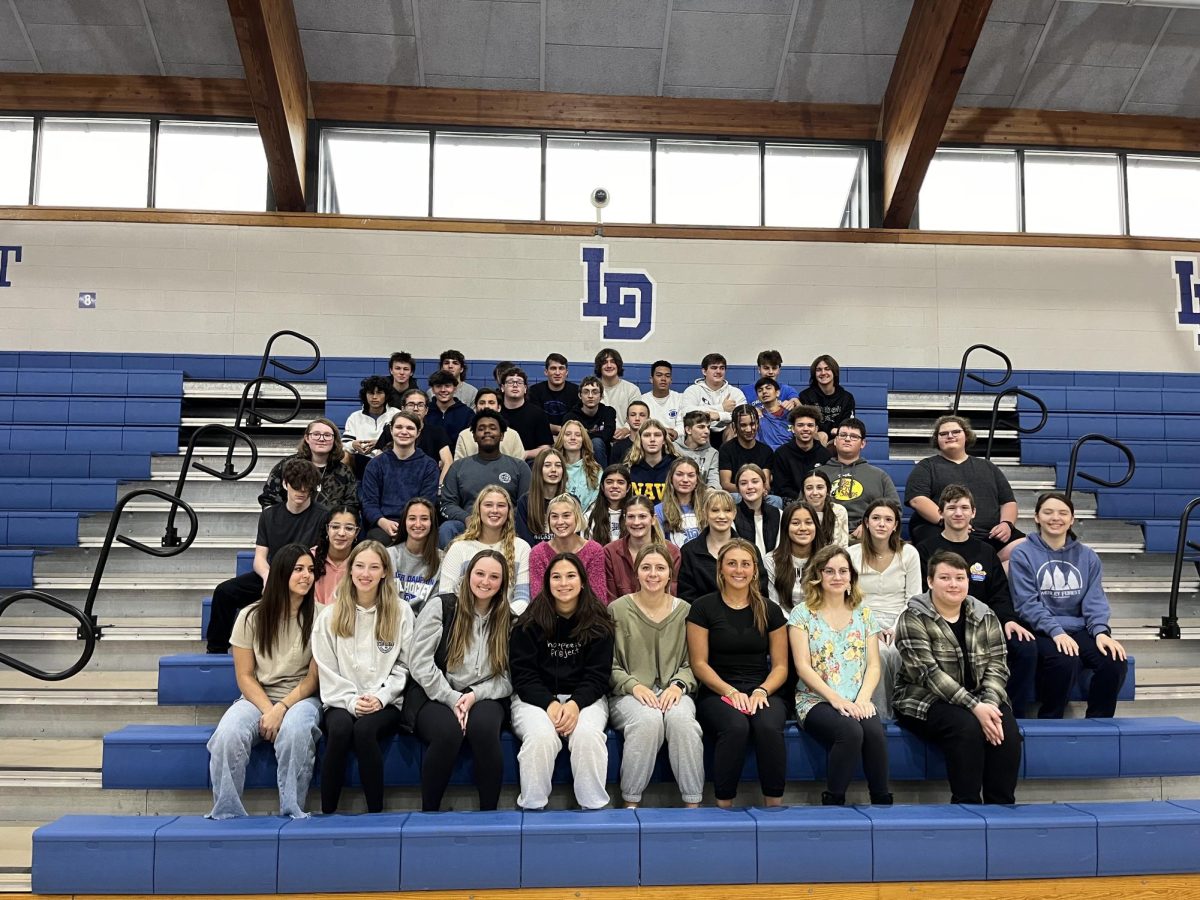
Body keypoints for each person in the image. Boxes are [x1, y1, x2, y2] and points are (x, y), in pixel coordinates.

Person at [894, 550, 1022, 805]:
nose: (953, 584)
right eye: (945, 577)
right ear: (930, 581)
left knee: (1006, 729)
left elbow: (998, 665)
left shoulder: (985, 614)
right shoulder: (913, 616)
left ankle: (1002, 808)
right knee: (966, 727)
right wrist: (976, 708)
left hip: (981, 698)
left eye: (960, 578)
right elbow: (928, 674)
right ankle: (967, 805)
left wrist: (990, 704)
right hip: (923, 698)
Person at [207, 544, 321, 819]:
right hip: (257, 695)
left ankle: (293, 811)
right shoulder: (250, 616)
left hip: (301, 697)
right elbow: (244, 676)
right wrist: (269, 710)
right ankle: (227, 813)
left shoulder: (322, 615)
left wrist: (281, 708)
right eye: (298, 569)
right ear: (281, 573)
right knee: (227, 735)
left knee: (295, 733)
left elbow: (313, 678)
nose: (306, 576)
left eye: (310, 570)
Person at [916, 485, 1037, 715]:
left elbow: (999, 594)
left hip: (985, 624)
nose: (958, 513)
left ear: (973, 512)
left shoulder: (986, 551)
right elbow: (924, 592)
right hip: (945, 622)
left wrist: (1009, 620)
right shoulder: (926, 550)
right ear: (941, 513)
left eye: (964, 507)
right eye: (951, 508)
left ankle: (1011, 712)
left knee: (1026, 648)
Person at [408, 548, 513, 812]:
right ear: (467, 576)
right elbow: (419, 663)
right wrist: (452, 698)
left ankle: (490, 814)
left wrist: (475, 695)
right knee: (447, 732)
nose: (485, 582)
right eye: (479, 574)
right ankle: (429, 813)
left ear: (502, 583)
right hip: (434, 691)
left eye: (494, 577)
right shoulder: (441, 606)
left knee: (484, 729)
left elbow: (510, 677)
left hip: (484, 694)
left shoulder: (508, 619)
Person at [312, 541, 413, 814]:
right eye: (359, 566)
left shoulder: (401, 612)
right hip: (341, 699)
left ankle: (375, 814)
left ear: (384, 572)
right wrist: (351, 701)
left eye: (374, 567)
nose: (365, 573)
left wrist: (381, 697)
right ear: (350, 570)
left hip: (386, 702)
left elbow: (404, 665)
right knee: (342, 729)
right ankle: (328, 812)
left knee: (365, 731)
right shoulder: (330, 615)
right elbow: (327, 667)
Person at [509, 552, 616, 811]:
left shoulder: (599, 622)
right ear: (546, 583)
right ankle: (532, 809)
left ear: (582, 582)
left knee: (588, 736)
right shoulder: (528, 623)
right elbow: (523, 676)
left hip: (585, 699)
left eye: (570, 576)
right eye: (556, 577)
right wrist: (550, 704)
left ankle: (592, 809)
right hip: (534, 700)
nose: (563, 583)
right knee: (540, 737)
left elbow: (597, 676)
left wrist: (575, 705)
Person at [687, 539, 789, 808]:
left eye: (745, 564)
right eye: (732, 563)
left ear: (755, 570)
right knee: (735, 727)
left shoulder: (770, 609)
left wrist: (762, 690)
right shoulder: (702, 607)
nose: (739, 570)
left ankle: (774, 806)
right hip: (717, 690)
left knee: (768, 726)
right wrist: (730, 691)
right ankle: (724, 805)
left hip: (762, 688)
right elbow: (699, 664)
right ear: (720, 568)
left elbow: (780, 666)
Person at [1008, 491, 1128, 719]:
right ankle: (1050, 720)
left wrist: (1101, 632)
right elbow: (1026, 603)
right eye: (1048, 512)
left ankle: (1098, 722)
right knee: (1065, 660)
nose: (1056, 518)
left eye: (1063, 513)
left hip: (1078, 628)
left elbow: (1095, 600)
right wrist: (1056, 632)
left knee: (1114, 660)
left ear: (1072, 519)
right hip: (1040, 628)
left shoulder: (1088, 556)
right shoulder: (1023, 553)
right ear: (1036, 517)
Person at [789, 544, 891, 806]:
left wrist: (864, 698)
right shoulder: (802, 614)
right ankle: (834, 801)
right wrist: (835, 699)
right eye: (829, 571)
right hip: (816, 700)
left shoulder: (864, 614)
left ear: (851, 577)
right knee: (850, 732)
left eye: (843, 571)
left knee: (874, 731)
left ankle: (881, 801)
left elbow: (874, 665)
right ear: (818, 575)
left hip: (857, 699)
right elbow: (802, 667)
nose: (837, 576)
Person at [609, 544, 703, 808]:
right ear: (636, 573)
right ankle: (631, 802)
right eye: (646, 568)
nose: (653, 574)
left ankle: (693, 804)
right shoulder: (616, 610)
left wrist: (679, 685)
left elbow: (692, 661)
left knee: (683, 721)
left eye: (660, 568)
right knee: (648, 720)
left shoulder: (685, 610)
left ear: (670, 574)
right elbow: (608, 664)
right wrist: (633, 686)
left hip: (674, 691)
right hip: (628, 694)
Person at [208, 459, 328, 654]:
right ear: (285, 484)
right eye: (296, 486)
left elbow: (319, 556)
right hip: (273, 574)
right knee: (224, 592)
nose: (301, 491)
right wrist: (268, 578)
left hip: (304, 577)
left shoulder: (323, 516)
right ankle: (216, 651)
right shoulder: (269, 515)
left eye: (307, 488)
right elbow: (260, 558)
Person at [905, 415, 1024, 562]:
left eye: (956, 432)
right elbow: (917, 499)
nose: (950, 436)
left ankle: (989, 564)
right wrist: (947, 522)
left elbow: (1008, 502)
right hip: (943, 530)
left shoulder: (988, 467)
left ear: (966, 436)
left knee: (1026, 549)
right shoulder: (927, 466)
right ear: (937, 440)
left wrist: (1007, 524)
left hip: (991, 534)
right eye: (943, 434)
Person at [846, 499, 920, 717]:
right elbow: (849, 599)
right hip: (862, 619)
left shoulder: (909, 553)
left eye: (888, 519)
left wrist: (897, 627)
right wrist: (872, 627)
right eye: (876, 518)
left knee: (899, 652)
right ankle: (880, 715)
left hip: (902, 618)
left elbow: (913, 597)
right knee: (877, 653)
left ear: (896, 525)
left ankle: (904, 711)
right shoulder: (851, 554)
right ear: (866, 523)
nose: (881, 524)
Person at [440, 410, 532, 546]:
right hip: (468, 525)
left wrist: (502, 518)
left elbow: (526, 503)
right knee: (447, 529)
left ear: (501, 435)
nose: (487, 431)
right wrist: (466, 518)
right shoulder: (458, 467)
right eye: (481, 429)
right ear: (474, 436)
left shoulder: (519, 467)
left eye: (492, 428)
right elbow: (447, 504)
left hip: (508, 524)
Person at [438, 486, 532, 613]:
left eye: (501, 505)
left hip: (506, 624)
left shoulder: (522, 548)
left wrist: (498, 620)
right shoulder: (459, 548)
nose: (494, 510)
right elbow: (446, 596)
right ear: (478, 510)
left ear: (509, 511)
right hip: (464, 622)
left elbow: (523, 598)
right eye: (488, 505)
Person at [359, 411, 440, 544]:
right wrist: (383, 522)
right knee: (376, 541)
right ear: (391, 430)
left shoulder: (429, 465)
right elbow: (369, 503)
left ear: (418, 432)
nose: (404, 432)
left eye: (410, 428)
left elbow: (426, 503)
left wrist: (407, 526)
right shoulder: (375, 464)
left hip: (416, 524)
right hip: (383, 525)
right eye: (399, 427)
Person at [815, 417, 898, 539]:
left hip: (866, 537)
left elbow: (895, 510)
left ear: (863, 443)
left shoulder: (879, 476)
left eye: (854, 436)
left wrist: (869, 526)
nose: (847, 439)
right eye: (843, 435)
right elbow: (802, 508)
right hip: (823, 536)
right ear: (835, 440)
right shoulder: (817, 474)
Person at [678, 490, 768, 602]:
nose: (721, 516)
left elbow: (760, 589)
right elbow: (686, 595)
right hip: (703, 617)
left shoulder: (750, 549)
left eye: (727, 510)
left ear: (734, 513)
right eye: (715, 510)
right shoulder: (689, 551)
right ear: (704, 513)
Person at [258, 417, 359, 513]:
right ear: (307, 438)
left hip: (329, 528)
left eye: (327, 435)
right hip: (292, 526)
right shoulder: (288, 465)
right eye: (316, 434)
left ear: (334, 440)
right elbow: (268, 499)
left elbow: (351, 506)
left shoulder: (344, 471)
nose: (321, 439)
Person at [529, 493, 610, 604]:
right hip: (548, 616)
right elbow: (538, 599)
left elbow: (598, 597)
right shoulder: (538, 552)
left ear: (577, 517)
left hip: (586, 615)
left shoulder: (594, 550)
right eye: (554, 516)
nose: (560, 522)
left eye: (566, 516)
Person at [605, 494, 680, 599]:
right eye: (631, 517)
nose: (636, 522)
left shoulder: (672, 552)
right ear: (624, 519)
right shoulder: (610, 552)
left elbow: (671, 595)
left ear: (653, 519)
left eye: (642, 516)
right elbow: (609, 598)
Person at [765, 501, 827, 610]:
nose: (803, 528)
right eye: (795, 523)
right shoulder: (771, 560)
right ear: (786, 527)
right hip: (784, 624)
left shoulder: (828, 559)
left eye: (808, 522)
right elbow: (775, 606)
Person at [387, 497, 444, 614]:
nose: (418, 524)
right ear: (404, 522)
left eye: (424, 519)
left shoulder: (442, 559)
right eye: (412, 518)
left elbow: (435, 609)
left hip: (424, 626)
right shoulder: (389, 555)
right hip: (392, 622)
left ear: (431, 523)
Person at [682, 352, 746, 448]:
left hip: (726, 433)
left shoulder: (735, 392)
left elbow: (743, 416)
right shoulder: (693, 390)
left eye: (722, 368)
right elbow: (686, 413)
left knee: (734, 427)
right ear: (704, 371)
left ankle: (727, 458)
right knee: (702, 427)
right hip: (702, 432)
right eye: (714, 368)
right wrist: (721, 408)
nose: (718, 371)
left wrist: (719, 416)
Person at [770, 405, 831, 502]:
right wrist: (803, 499)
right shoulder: (781, 453)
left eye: (810, 425)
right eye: (800, 425)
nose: (805, 429)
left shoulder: (825, 454)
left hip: (818, 501)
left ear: (816, 429)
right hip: (791, 502)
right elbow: (781, 488)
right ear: (793, 429)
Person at [342, 375, 400, 476]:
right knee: (344, 455)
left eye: (379, 393)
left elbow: (403, 441)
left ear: (386, 395)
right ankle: (348, 488)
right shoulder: (355, 417)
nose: (374, 397)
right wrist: (353, 445)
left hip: (388, 459)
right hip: (360, 460)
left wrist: (380, 444)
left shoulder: (396, 414)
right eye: (371, 393)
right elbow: (344, 444)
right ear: (365, 395)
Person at [798, 355, 855, 446]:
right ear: (814, 374)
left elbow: (848, 424)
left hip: (838, 440)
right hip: (814, 440)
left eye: (827, 369)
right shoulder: (806, 396)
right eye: (819, 370)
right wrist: (827, 432)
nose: (823, 373)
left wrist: (836, 434)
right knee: (821, 435)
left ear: (834, 372)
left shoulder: (847, 398)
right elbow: (807, 424)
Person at [454, 389, 526, 461]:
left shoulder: (513, 435)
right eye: (482, 403)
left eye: (491, 403)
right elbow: (459, 467)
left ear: (499, 407)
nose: (486, 406)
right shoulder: (464, 436)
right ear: (476, 408)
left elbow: (519, 466)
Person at [718, 405, 774, 497]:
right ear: (734, 426)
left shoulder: (766, 451)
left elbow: (766, 485)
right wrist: (748, 490)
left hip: (759, 495)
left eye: (752, 424)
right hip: (737, 495)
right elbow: (725, 484)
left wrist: (755, 492)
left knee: (774, 500)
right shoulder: (726, 449)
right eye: (743, 425)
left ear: (757, 423)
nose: (749, 429)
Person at [515, 448, 566, 546]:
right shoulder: (525, 501)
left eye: (558, 466)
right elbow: (525, 542)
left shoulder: (572, 501)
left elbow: (573, 540)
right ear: (538, 469)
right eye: (547, 465)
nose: (553, 470)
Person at [500, 367, 553, 462]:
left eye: (519, 382)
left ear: (525, 388)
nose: (515, 385)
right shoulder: (496, 413)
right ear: (502, 388)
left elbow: (546, 448)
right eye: (510, 382)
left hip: (528, 463)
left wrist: (525, 454)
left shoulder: (538, 414)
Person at [655, 457, 707, 547]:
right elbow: (658, 546)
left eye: (691, 475)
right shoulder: (658, 510)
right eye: (679, 474)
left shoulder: (707, 507)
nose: (685, 480)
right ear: (671, 478)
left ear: (697, 480)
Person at [312, 505, 358, 606]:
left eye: (349, 528)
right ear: (327, 529)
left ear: (357, 533)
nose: (341, 533)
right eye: (335, 527)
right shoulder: (310, 557)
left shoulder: (361, 562)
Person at [568, 375, 617, 465]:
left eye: (595, 392)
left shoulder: (608, 412)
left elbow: (607, 436)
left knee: (597, 442)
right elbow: (569, 439)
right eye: (586, 392)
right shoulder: (571, 416)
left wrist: (583, 434)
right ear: (580, 395)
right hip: (578, 455)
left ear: (601, 396)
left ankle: (602, 477)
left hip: (602, 455)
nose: (590, 396)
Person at [734, 463, 781, 556]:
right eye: (743, 483)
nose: (750, 487)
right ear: (738, 489)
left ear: (764, 486)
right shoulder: (731, 515)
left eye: (755, 482)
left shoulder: (778, 514)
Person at [555, 418, 601, 512]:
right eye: (568, 434)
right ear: (561, 438)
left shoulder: (596, 470)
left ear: (583, 440)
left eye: (578, 435)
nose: (573, 438)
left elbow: (597, 503)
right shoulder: (553, 468)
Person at [528, 353, 579, 435]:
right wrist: (559, 429)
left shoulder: (576, 391)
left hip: (568, 435)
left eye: (561, 368)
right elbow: (535, 421)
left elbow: (576, 422)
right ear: (546, 372)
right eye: (553, 368)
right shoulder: (534, 391)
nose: (557, 373)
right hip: (542, 435)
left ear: (566, 372)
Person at [595, 348, 642, 437]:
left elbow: (638, 416)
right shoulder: (592, 390)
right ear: (599, 367)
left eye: (612, 362)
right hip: (599, 438)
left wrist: (626, 429)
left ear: (618, 365)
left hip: (626, 437)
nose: (609, 365)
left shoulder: (632, 390)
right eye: (604, 362)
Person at [627, 419, 677, 501]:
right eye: (647, 435)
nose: (652, 439)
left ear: (664, 440)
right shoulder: (629, 466)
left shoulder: (675, 465)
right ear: (640, 440)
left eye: (657, 435)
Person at [585, 463, 631, 546]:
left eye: (620, 482)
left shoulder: (635, 517)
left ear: (628, 488)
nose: (615, 486)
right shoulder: (589, 517)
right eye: (609, 482)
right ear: (602, 486)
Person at [802, 469, 850, 548]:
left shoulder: (839, 511)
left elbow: (844, 546)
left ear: (828, 490)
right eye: (809, 488)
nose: (815, 492)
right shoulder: (796, 512)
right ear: (803, 492)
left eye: (820, 487)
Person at [426, 370, 474, 447]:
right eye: (438, 386)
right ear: (433, 390)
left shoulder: (467, 413)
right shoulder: (426, 411)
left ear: (455, 389)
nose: (443, 390)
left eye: (447, 386)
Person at [675, 410, 722, 490]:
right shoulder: (674, 448)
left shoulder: (712, 453)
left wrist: (711, 489)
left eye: (708, 427)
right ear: (688, 430)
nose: (707, 431)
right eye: (701, 427)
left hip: (702, 496)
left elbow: (714, 480)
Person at [641, 359, 683, 439]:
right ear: (651, 379)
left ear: (671, 380)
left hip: (674, 441)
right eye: (659, 375)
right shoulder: (642, 400)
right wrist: (661, 432)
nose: (663, 379)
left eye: (667, 376)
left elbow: (682, 423)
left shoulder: (680, 398)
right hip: (650, 440)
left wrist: (676, 432)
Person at [752, 378, 792, 450]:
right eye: (760, 390)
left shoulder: (790, 413)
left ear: (777, 393)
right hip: (766, 456)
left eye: (768, 388)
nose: (764, 392)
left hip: (788, 455)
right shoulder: (756, 416)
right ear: (758, 397)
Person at [609, 399, 650, 465]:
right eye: (633, 415)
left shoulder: (654, 445)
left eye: (642, 415)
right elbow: (613, 473)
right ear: (627, 419)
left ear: (648, 419)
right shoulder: (618, 447)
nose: (637, 418)